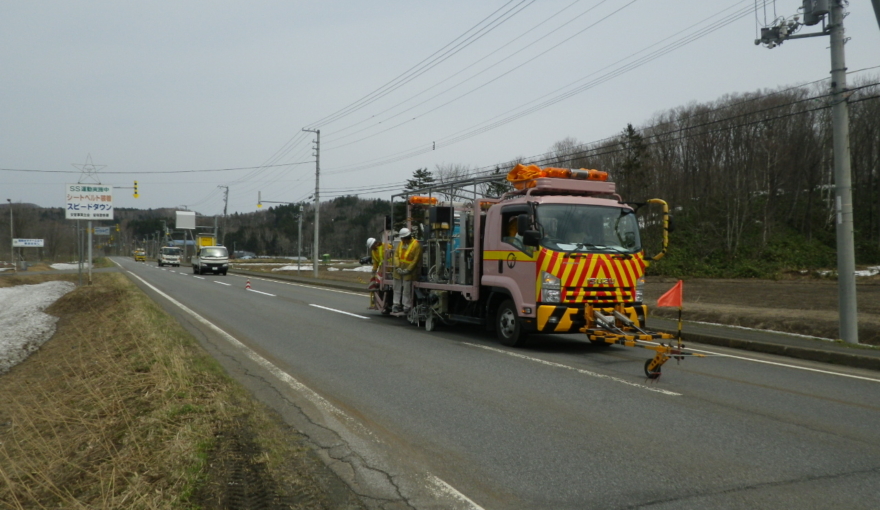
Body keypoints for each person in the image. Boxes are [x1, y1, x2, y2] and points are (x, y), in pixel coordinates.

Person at [392, 227, 422, 314]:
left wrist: (408, 270)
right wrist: (397, 267)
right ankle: (396, 304)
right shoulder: (401, 244)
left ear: (407, 237)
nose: (402, 240)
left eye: (403, 238)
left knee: (406, 289)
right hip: (398, 269)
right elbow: (396, 255)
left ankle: (406, 306)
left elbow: (416, 259)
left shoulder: (416, 245)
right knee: (396, 287)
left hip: (409, 271)